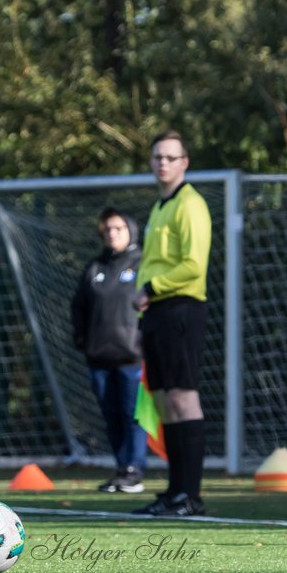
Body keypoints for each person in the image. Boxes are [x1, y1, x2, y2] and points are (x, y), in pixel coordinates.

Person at [130, 130, 211, 517]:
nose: (163, 163)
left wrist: (151, 286)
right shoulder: (161, 205)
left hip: (181, 308)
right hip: (157, 313)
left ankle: (191, 496)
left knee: (183, 398)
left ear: (185, 162)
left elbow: (194, 265)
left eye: (171, 157)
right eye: (157, 157)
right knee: (163, 402)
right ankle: (173, 491)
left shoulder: (190, 204)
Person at [71, 207, 147, 492]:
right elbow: (78, 306)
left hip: (133, 355)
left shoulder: (143, 264)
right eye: (108, 229)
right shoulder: (95, 267)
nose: (113, 234)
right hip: (99, 356)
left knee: (133, 414)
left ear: (131, 231)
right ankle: (121, 468)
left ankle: (134, 468)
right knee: (111, 414)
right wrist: (82, 339)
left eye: (119, 228)